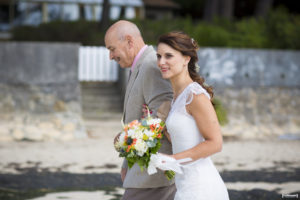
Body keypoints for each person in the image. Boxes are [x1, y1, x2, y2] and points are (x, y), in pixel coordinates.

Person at [104, 20, 176, 200]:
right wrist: (127, 163)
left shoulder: (151, 65)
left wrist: (125, 139)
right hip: (143, 174)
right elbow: (145, 119)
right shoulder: (141, 66)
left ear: (129, 41)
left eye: (112, 49)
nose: (111, 56)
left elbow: (164, 119)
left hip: (154, 178)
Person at [156, 31, 230, 200]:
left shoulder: (195, 94)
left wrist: (172, 159)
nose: (161, 62)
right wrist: (159, 125)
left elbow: (215, 143)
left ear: (186, 59)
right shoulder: (176, 97)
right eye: (158, 56)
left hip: (201, 188)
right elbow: (184, 141)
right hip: (185, 186)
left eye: (168, 56)